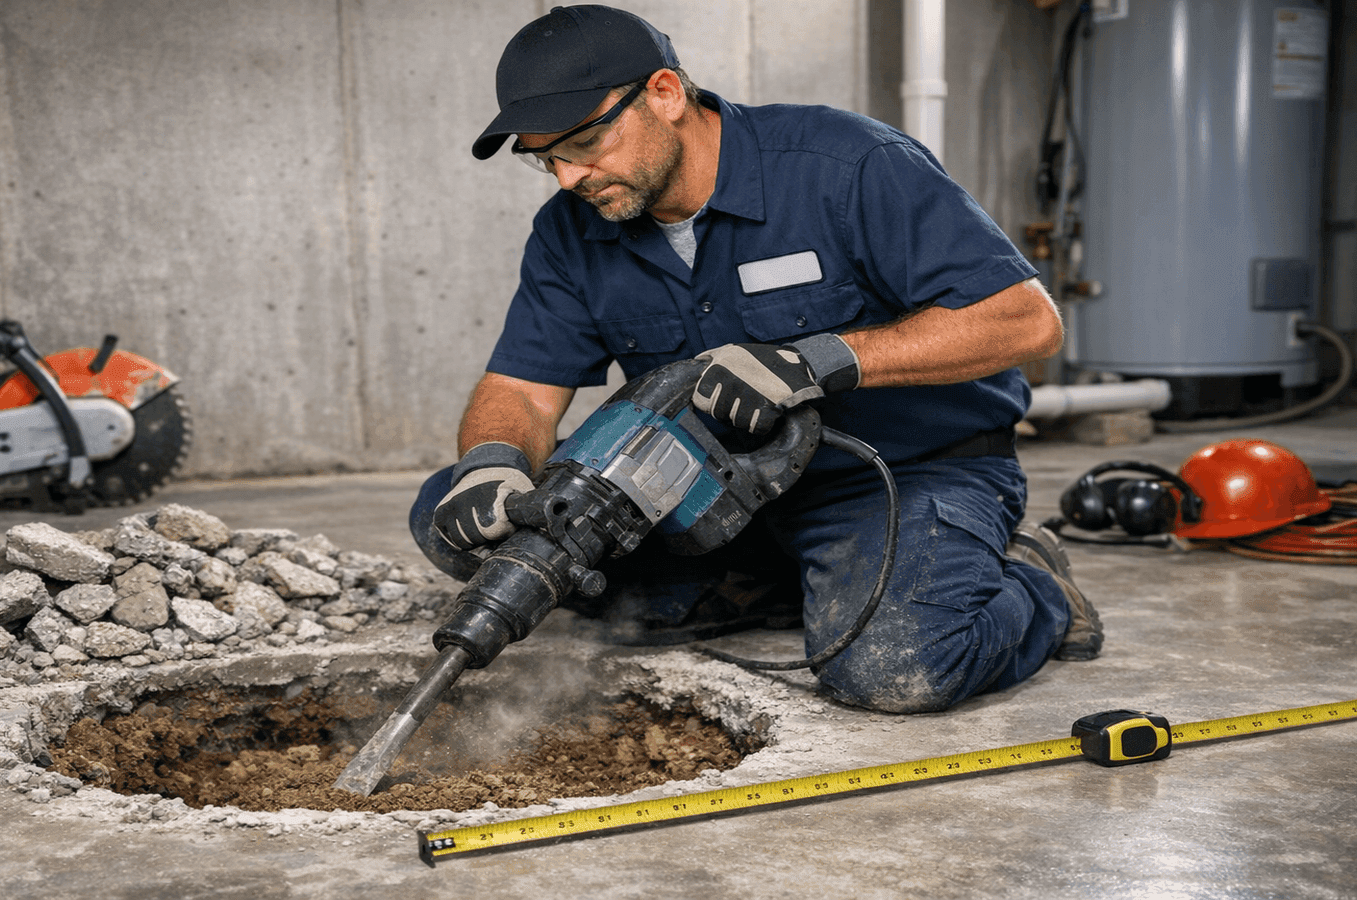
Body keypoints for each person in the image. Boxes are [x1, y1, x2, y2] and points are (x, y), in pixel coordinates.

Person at [409, 4, 1101, 714]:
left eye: (584, 142)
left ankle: (1034, 586)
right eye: (545, 157)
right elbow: (521, 389)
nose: (567, 177)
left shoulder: (846, 165)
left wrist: (822, 359)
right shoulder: (569, 230)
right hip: (708, 491)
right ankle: (772, 584)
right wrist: (491, 462)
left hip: (898, 474)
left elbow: (1024, 320)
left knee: (895, 669)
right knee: (456, 519)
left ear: (666, 94)